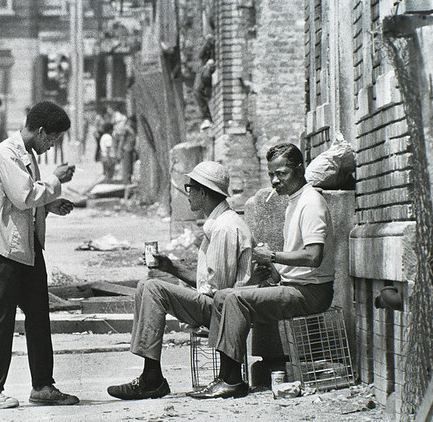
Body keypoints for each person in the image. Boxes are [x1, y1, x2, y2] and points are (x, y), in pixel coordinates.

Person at [189, 143, 335, 399]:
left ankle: (232, 380)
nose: (275, 181)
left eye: (282, 173)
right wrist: (271, 269)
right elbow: (295, 267)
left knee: (234, 298)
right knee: (223, 295)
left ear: (299, 170)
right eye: (271, 175)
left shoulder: (311, 203)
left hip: (312, 293)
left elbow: (314, 256)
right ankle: (225, 375)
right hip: (295, 286)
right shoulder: (294, 202)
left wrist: (273, 256)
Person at [107, 161, 254, 400]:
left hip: (225, 310)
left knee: (153, 288)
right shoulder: (219, 224)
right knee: (146, 284)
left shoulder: (225, 228)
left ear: (203, 192)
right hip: (217, 303)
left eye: (190, 188)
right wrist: (172, 268)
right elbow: (210, 281)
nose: (187, 194)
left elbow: (218, 291)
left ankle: (151, 379)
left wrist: (184, 301)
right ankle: (150, 374)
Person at [0, 101, 79, 409]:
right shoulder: (6, 153)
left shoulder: (27, 155)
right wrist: (55, 181)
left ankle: (43, 386)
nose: (52, 146)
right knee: (2, 317)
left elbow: (25, 199)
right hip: (3, 248)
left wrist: (48, 206)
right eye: (53, 139)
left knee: (38, 315)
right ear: (42, 131)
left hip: (25, 246)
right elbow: (23, 197)